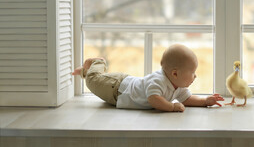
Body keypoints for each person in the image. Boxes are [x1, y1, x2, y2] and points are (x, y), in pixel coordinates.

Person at [72, 44, 224, 112]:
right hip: (116, 88)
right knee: (92, 82)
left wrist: (205, 101)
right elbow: (153, 99)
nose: (195, 76)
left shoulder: (178, 87)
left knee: (96, 79)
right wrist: (172, 107)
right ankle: (97, 62)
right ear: (175, 74)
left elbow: (187, 100)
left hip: (118, 90)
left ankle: (86, 71)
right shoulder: (158, 81)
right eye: (192, 72)